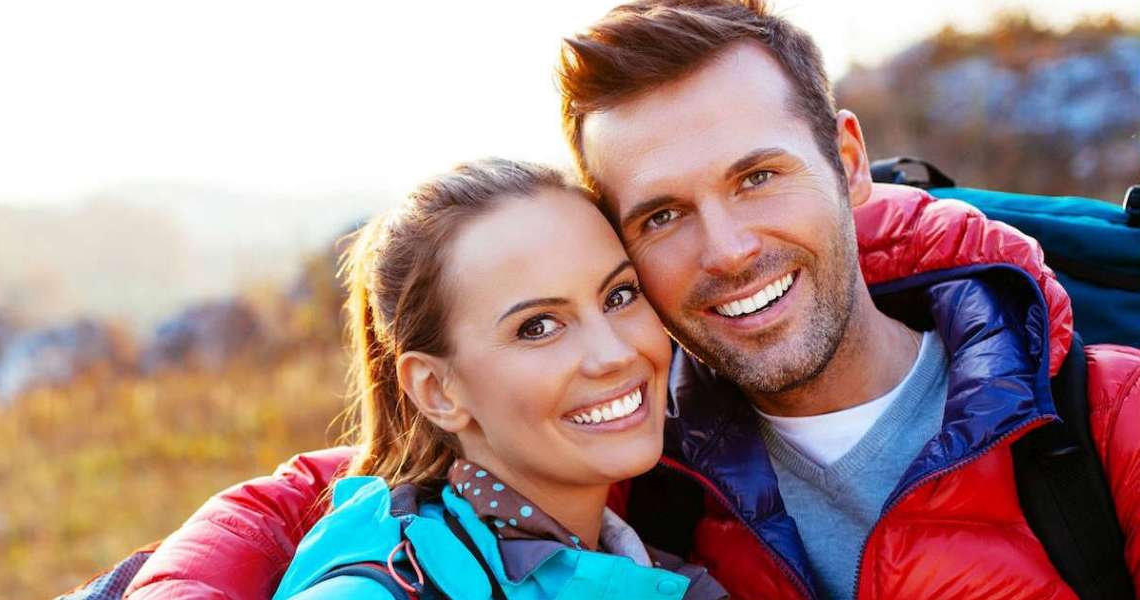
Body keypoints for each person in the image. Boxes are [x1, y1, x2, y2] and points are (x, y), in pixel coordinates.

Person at [122, 1, 1140, 599]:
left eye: (757, 178)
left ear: (849, 160)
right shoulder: (630, 446)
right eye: (660, 217)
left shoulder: (1108, 431)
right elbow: (347, 485)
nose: (728, 252)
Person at [272, 158, 725, 599]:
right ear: (436, 389)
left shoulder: (650, 566)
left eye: (619, 295)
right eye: (538, 327)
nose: (616, 353)